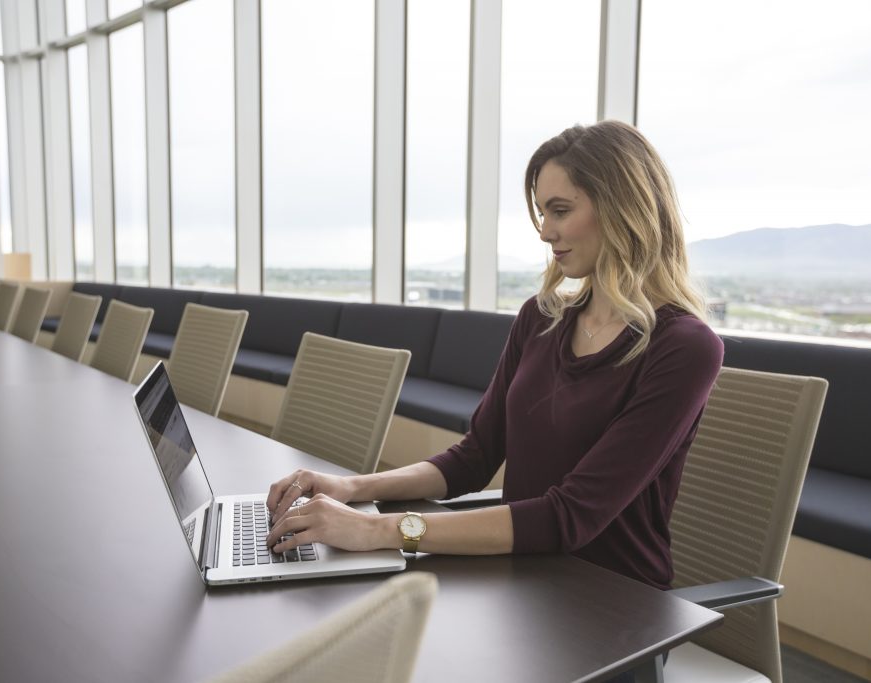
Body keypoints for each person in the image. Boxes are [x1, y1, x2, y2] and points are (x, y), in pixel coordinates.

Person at [266, 119, 723, 593]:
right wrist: (352, 488)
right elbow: (475, 457)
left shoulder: (683, 348)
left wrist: (379, 529)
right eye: (543, 213)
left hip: (612, 607)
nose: (546, 232)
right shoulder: (540, 318)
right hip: (516, 577)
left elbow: (570, 516)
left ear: (622, 209)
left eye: (560, 211)